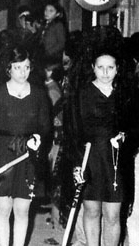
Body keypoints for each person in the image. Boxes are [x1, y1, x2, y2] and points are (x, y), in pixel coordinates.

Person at [0, 46, 51, 246]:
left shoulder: (39, 94)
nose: (23, 72)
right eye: (18, 67)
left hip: (28, 156)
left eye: (27, 67)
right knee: (3, 208)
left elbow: (46, 128)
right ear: (8, 69)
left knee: (22, 209)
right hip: (2, 153)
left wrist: (39, 139)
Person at [69, 51, 135, 246]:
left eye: (110, 68)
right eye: (100, 67)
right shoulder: (82, 94)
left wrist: (125, 136)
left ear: (117, 69)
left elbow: (135, 126)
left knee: (113, 214)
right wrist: (76, 163)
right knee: (91, 210)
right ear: (93, 68)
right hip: (90, 157)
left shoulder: (126, 94)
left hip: (116, 160)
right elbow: (74, 131)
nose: (105, 72)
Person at [40, 2, 67, 71]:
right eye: (46, 10)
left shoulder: (58, 25)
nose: (47, 12)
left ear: (57, 14)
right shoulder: (45, 24)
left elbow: (61, 43)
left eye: (51, 11)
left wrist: (49, 52)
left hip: (53, 58)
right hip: (44, 57)